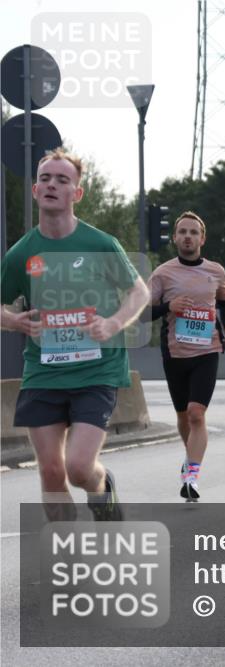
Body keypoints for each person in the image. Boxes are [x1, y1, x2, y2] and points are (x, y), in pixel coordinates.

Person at [0, 148, 149, 521]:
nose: (52, 184)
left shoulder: (100, 244)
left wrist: (113, 323)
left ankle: (102, 491)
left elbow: (139, 292)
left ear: (76, 193)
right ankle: (67, 550)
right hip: (44, 371)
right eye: (45, 178)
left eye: (62, 179)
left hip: (96, 370)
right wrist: (15, 322)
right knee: (51, 473)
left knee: (79, 468)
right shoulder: (21, 255)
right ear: (35, 190)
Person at [149, 211, 225, 501]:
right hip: (175, 353)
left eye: (193, 232)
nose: (188, 237)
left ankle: (192, 476)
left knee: (197, 414)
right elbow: (143, 312)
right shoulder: (162, 273)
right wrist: (168, 307)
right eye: (183, 232)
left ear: (202, 238)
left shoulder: (215, 271)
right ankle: (191, 459)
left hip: (207, 351)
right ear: (175, 238)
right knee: (184, 416)